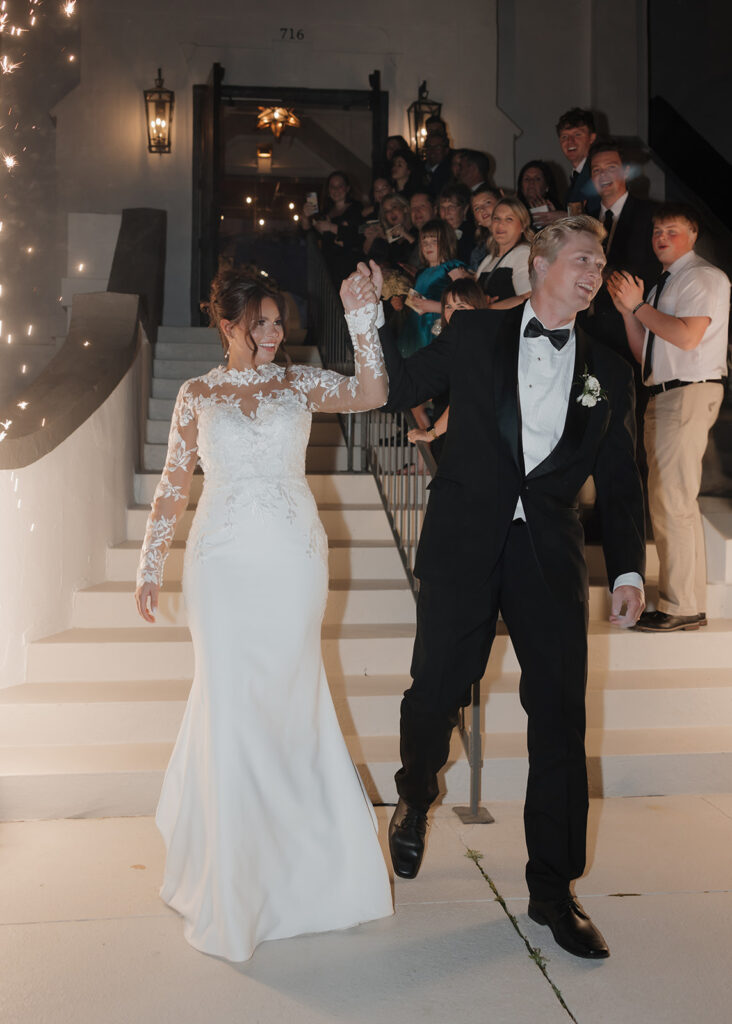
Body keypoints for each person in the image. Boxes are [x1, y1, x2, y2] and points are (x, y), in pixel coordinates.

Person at [369, 213, 646, 961]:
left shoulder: (609, 369)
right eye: (583, 259)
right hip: (464, 543)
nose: (594, 273)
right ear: (541, 265)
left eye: (599, 262)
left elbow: (622, 481)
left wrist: (626, 568)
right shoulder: (473, 335)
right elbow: (396, 389)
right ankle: (416, 791)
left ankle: (553, 892)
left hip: (549, 556)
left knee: (559, 716)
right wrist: (366, 316)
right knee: (436, 691)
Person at [134, 270, 393, 962]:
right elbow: (173, 484)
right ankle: (230, 875)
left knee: (289, 697)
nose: (276, 336)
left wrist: (363, 322)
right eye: (263, 324)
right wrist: (150, 561)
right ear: (228, 326)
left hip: (291, 555)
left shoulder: (301, 382)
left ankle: (308, 867)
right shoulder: (195, 395)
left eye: (281, 324)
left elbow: (372, 393)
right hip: (219, 560)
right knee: (229, 703)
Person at [608, 202, 729, 632]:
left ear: (693, 235)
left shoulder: (703, 277)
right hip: (664, 392)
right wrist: (628, 311)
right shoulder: (665, 284)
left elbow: (687, 336)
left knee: (671, 501)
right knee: (672, 501)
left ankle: (680, 605)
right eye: (657, 231)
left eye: (672, 230)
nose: (661, 237)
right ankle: (686, 602)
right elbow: (648, 356)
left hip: (688, 393)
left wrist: (638, 306)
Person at [579, 139, 659, 364]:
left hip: (630, 328)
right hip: (586, 329)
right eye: (597, 170)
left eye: (611, 168)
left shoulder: (650, 214)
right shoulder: (585, 221)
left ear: (625, 171)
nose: (603, 175)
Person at [406, 278, 489, 460]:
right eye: (448, 307)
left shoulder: (479, 345)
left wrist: (430, 434)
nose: (453, 313)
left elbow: (464, 399)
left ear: (477, 308)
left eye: (461, 307)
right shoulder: (451, 343)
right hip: (448, 432)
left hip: (468, 436)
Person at [399, 219, 466, 357]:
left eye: (434, 241)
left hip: (436, 328)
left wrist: (434, 306)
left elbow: (465, 305)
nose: (428, 246)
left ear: (446, 242)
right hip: (416, 329)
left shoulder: (452, 267)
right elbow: (416, 303)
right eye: (424, 242)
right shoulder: (422, 273)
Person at [533, 109, 598, 226]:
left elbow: (603, 219)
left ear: (592, 138)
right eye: (564, 137)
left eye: (577, 134)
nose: (570, 141)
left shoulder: (597, 173)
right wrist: (555, 213)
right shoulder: (576, 177)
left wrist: (565, 217)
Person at [301, 170, 363, 283]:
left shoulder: (357, 208)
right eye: (332, 187)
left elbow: (358, 237)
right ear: (328, 190)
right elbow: (309, 235)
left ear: (347, 188)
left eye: (340, 186)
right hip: (328, 268)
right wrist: (305, 217)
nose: (336, 190)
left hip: (349, 267)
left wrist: (331, 227)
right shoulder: (325, 212)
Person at [475, 197, 533, 302]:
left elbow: (529, 298)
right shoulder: (488, 259)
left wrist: (487, 308)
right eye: (497, 218)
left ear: (523, 226)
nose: (501, 224)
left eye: (509, 219)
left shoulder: (523, 253)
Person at [517, 160, 561, 230]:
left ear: (546, 186)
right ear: (521, 187)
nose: (531, 182)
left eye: (537, 179)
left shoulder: (558, 211)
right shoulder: (514, 209)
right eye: (527, 179)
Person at [438, 183, 473, 263]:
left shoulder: (472, 236)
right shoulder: (437, 233)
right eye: (442, 207)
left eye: (451, 207)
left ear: (465, 209)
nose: (446, 212)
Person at [469, 185, 502, 270]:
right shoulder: (478, 253)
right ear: (477, 221)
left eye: (487, 203)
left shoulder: (517, 236)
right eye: (476, 208)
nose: (482, 209)